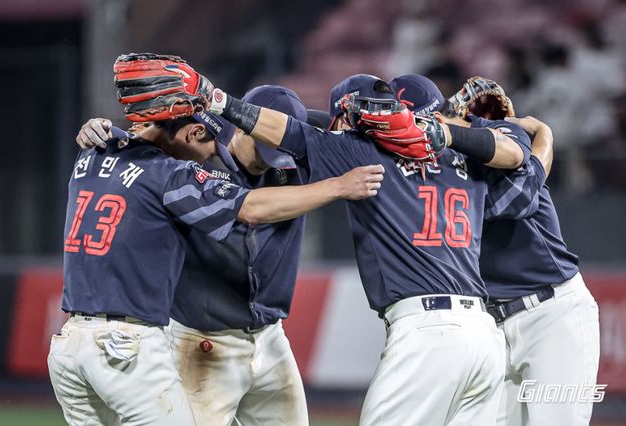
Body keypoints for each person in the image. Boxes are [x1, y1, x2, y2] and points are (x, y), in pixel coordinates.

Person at [116, 53, 545, 425]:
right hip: (483, 335)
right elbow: (520, 158)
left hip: (426, 332)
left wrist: (217, 99)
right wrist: (521, 131)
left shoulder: (360, 152)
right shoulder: (468, 156)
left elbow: (292, 132)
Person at [51, 55, 385, 426]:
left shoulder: (98, 152)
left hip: (264, 337)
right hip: (191, 340)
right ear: (237, 127)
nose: (272, 161)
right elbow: (251, 208)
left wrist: (103, 131)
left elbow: (139, 139)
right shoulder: (182, 168)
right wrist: (338, 187)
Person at [78, 84, 316, 425]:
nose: (268, 158)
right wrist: (102, 131)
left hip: (271, 338)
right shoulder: (194, 154)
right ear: (240, 125)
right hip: (200, 341)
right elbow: (143, 145)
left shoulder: (297, 159)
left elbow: (344, 134)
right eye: (263, 146)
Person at [446, 76, 600, 425]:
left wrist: (542, 136)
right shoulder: (437, 170)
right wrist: (545, 134)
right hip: (489, 325)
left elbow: (518, 198)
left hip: (550, 314)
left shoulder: (508, 150)